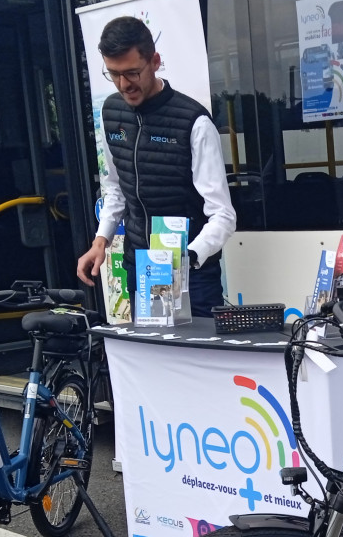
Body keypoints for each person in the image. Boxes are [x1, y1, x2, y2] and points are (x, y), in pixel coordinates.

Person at [76, 16, 236, 318]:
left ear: (155, 61)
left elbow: (223, 215)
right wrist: (101, 241)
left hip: (193, 276)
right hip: (141, 270)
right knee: (152, 363)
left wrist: (187, 258)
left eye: (132, 73)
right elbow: (115, 190)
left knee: (199, 364)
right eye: (114, 74)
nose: (124, 85)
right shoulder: (110, 113)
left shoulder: (194, 122)